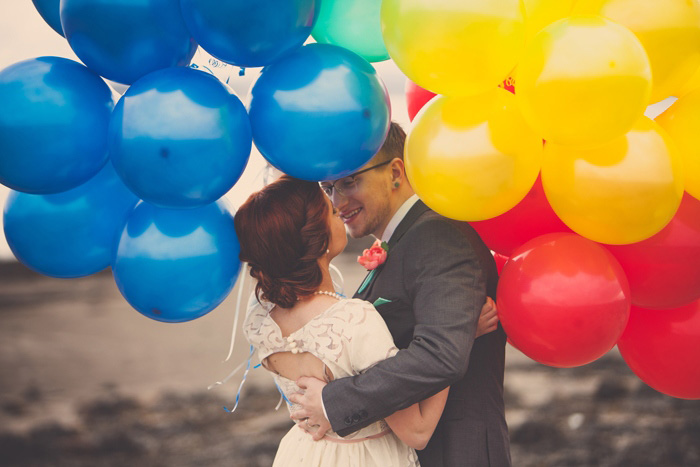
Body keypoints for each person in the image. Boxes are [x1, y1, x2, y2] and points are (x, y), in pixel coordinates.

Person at [289, 122, 511, 466]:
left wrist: (335, 402)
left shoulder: (439, 237)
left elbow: (441, 355)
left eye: (350, 181)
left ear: (395, 172)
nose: (338, 201)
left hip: (452, 451)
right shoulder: (406, 240)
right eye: (329, 187)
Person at [234, 177, 496, 466]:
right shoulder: (354, 320)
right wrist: (462, 336)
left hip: (303, 454)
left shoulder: (260, 318)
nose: (339, 207)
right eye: (331, 210)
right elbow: (418, 431)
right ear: (316, 237)